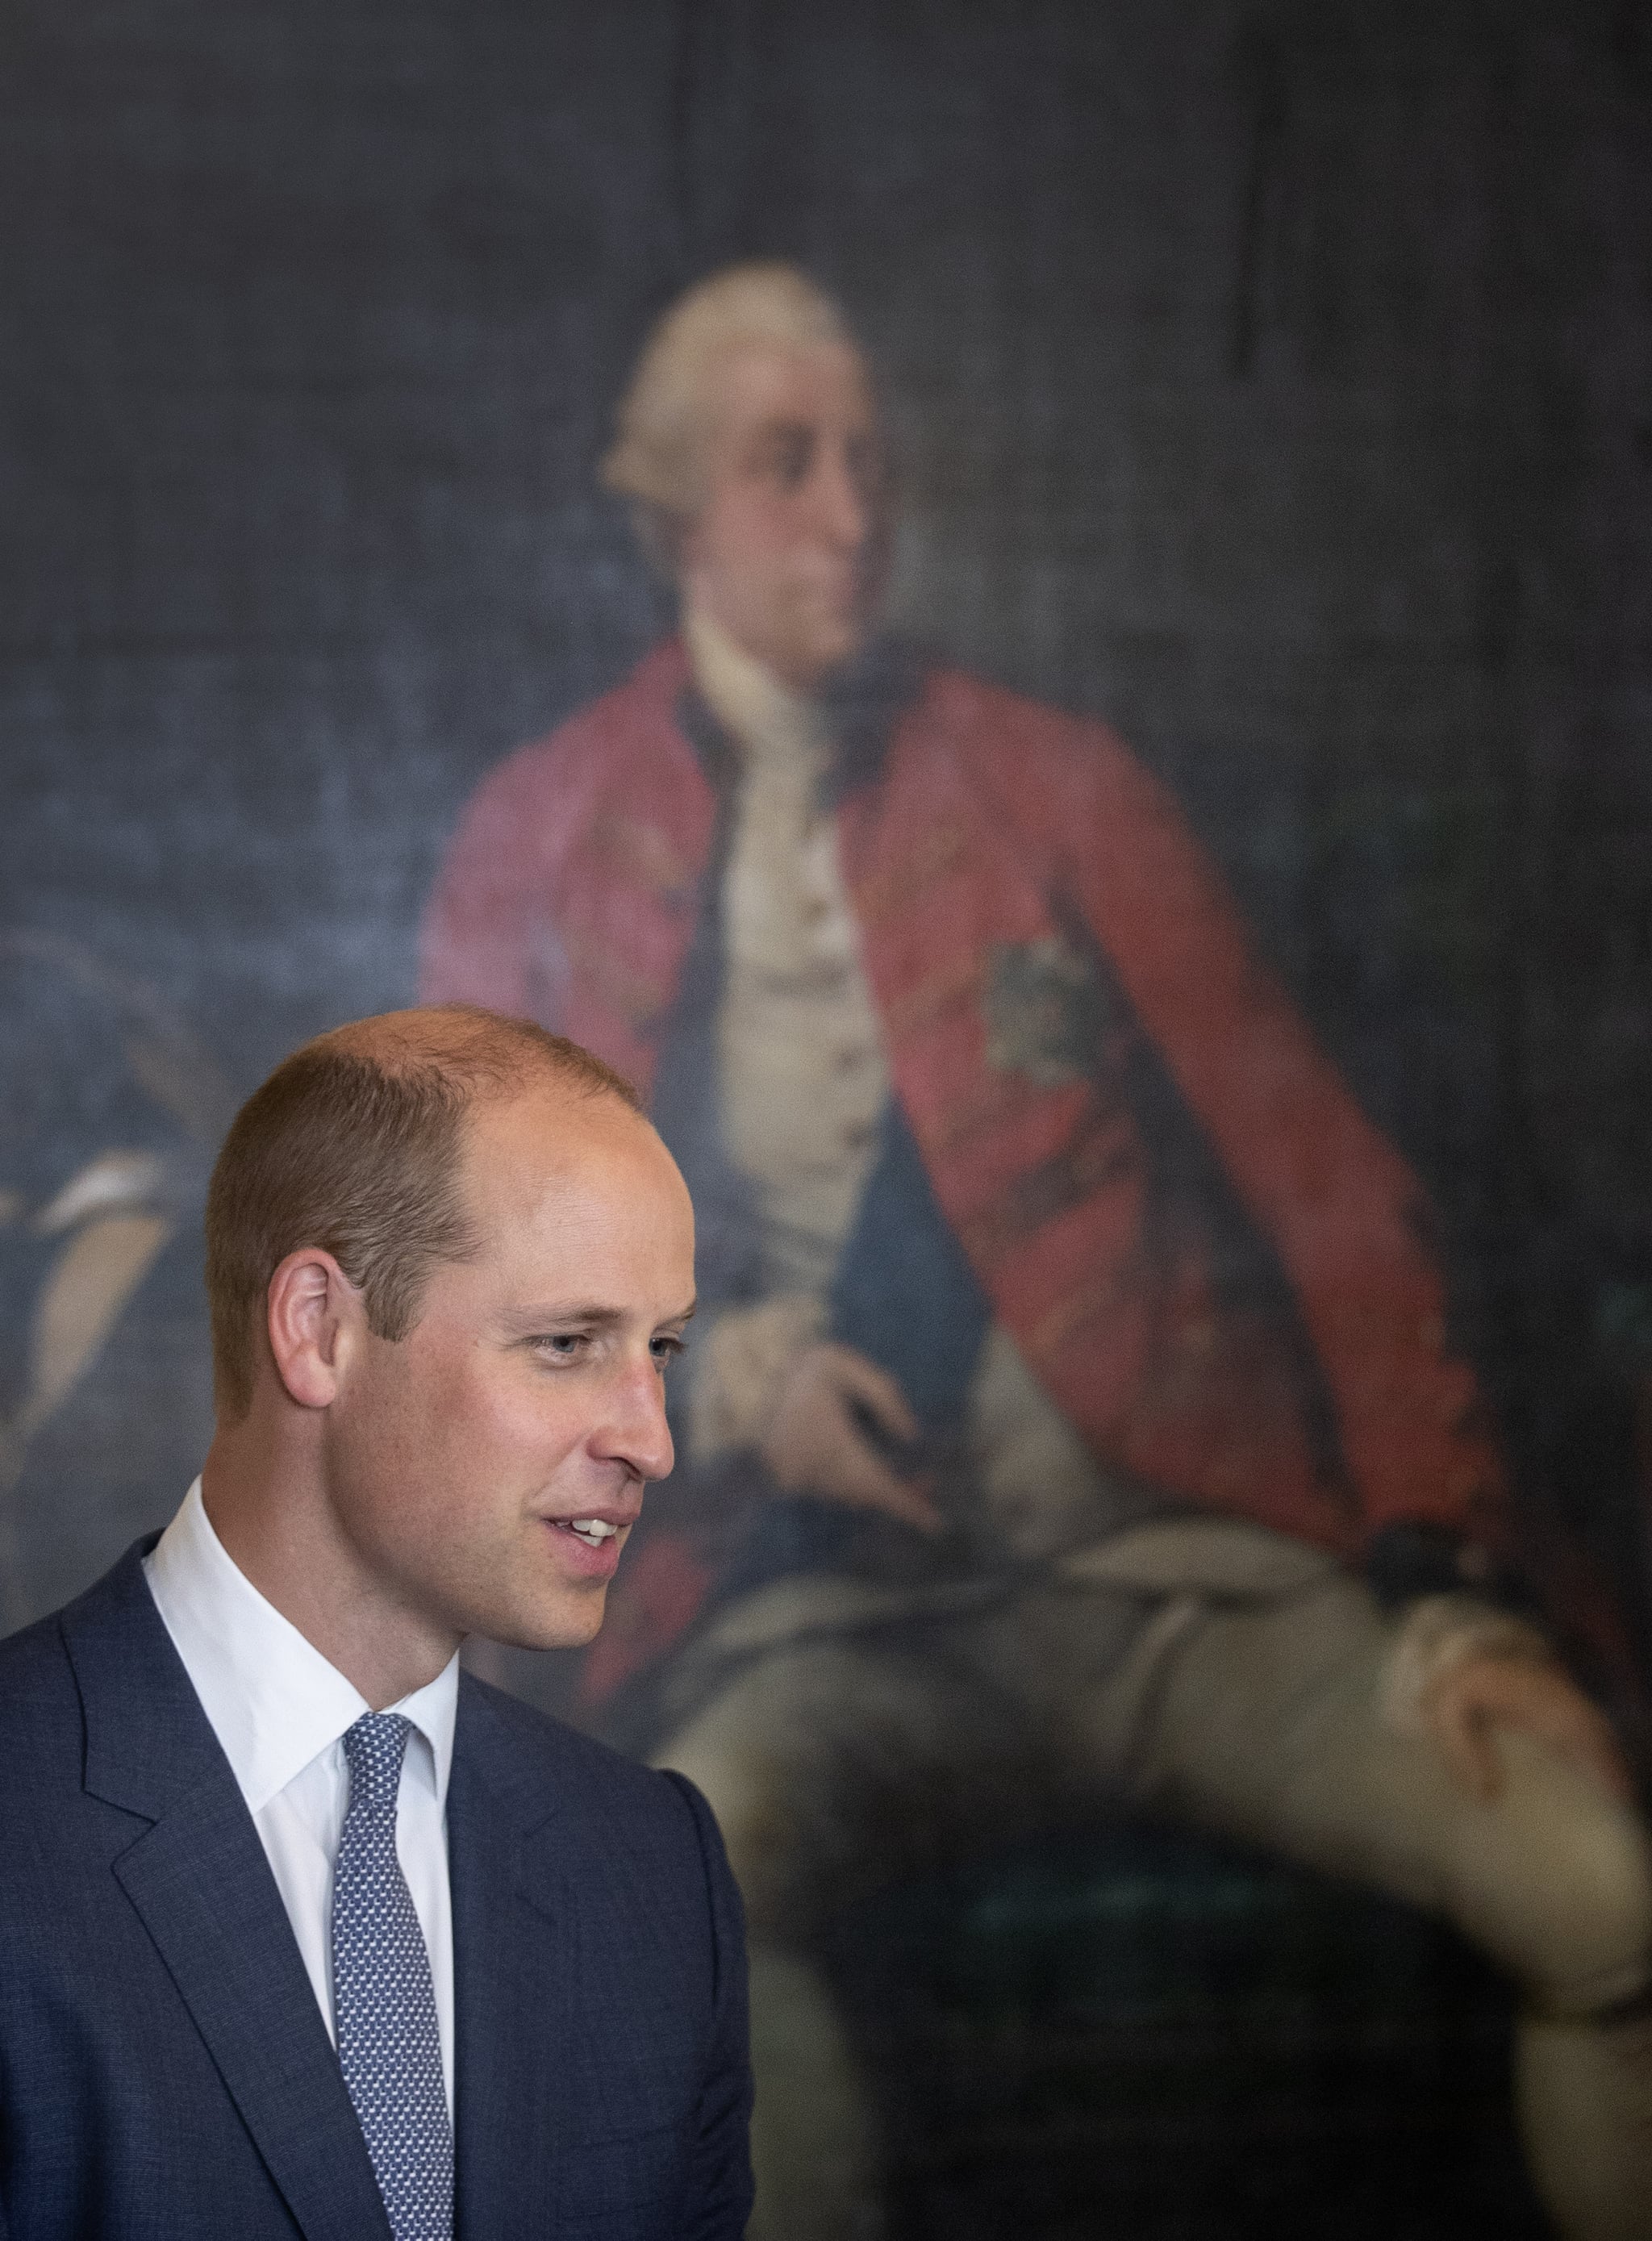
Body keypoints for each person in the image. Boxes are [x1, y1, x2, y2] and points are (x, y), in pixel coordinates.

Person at [421, 263, 1652, 2241]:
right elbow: (470, 1296)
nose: (847, 516)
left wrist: (1442, 1575)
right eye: (784, 468)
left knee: (1604, 1895)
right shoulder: (534, 836)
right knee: (687, 1935)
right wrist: (721, 1385)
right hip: (822, 1629)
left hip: (1184, 1578)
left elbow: (1326, 1185)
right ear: (670, 518)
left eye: (870, 468)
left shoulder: (1057, 783)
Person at [0, 1003, 753, 2241]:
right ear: (318, 1330)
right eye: (567, 1343)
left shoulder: (654, 1873)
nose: (652, 1440)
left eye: (660, 1347)